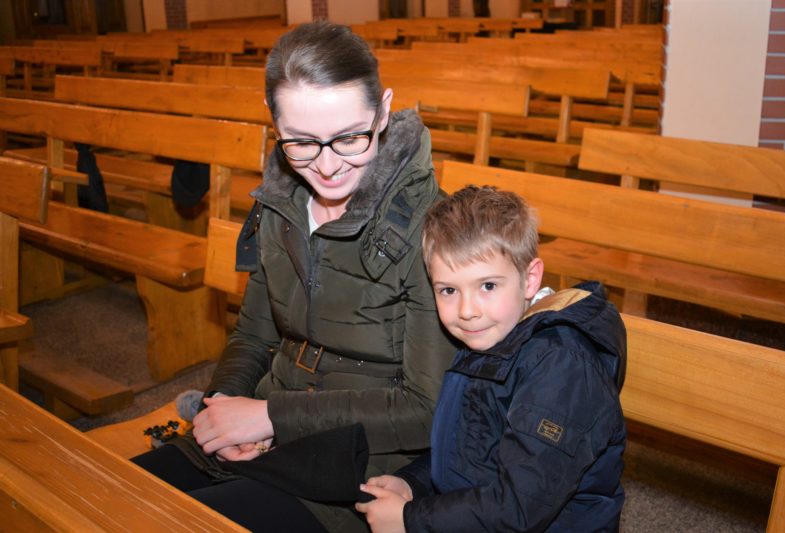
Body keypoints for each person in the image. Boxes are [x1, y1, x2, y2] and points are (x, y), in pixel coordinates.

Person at [132, 21, 459, 533]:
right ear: (274, 122)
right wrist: (224, 409)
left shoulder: (433, 230)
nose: (326, 166)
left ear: (384, 111)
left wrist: (269, 416)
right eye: (301, 142)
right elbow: (253, 336)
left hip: (361, 463)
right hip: (269, 422)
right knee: (114, 496)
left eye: (349, 137)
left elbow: (426, 410)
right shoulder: (280, 205)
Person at [356, 185, 627, 532]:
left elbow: (519, 508)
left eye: (487, 286)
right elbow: (469, 450)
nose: (467, 311)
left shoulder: (561, 368)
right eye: (448, 290)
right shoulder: (491, 337)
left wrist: (411, 519)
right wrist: (413, 483)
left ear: (530, 279)